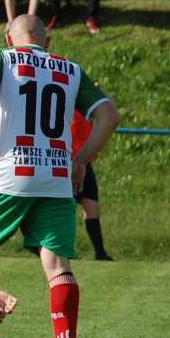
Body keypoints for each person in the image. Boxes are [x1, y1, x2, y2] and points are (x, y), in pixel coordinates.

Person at [0, 15, 119, 338]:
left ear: (10, 38)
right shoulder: (70, 69)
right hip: (56, 176)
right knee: (57, 266)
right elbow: (109, 115)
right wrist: (81, 160)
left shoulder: (3, 59)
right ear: (47, 41)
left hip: (12, 172)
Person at [71, 111, 113, 261]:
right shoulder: (66, 102)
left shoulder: (87, 105)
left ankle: (100, 252)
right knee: (67, 207)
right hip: (68, 161)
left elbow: (109, 112)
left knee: (92, 207)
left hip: (84, 162)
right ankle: (66, 251)